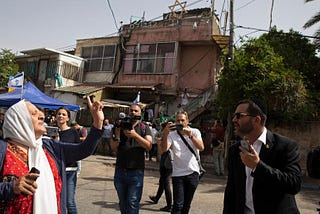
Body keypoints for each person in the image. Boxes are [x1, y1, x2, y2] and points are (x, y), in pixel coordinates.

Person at [0, 97, 103, 214]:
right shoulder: (3, 149)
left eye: (41, 113)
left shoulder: (50, 147)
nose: (42, 116)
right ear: (18, 121)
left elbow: (84, 149)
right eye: (34, 114)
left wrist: (97, 121)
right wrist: (11, 187)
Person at [223, 99, 301, 214]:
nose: (234, 120)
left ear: (256, 120)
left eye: (239, 116)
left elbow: (293, 184)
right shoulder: (235, 150)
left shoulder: (284, 146)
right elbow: (231, 192)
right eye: (235, 116)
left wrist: (258, 167)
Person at [162, 110, 204, 214]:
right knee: (177, 205)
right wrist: (166, 133)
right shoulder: (172, 134)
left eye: (182, 120)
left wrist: (190, 136)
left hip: (192, 172)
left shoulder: (194, 131)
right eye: (178, 120)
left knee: (186, 205)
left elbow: (201, 147)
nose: (180, 123)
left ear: (187, 121)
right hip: (178, 174)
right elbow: (164, 149)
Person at [113, 103, 152, 214]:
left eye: (136, 111)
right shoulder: (121, 126)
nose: (133, 113)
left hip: (136, 171)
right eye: (131, 111)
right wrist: (117, 132)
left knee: (133, 202)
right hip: (120, 170)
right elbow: (113, 147)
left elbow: (149, 146)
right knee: (123, 202)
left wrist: (135, 135)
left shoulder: (144, 128)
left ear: (140, 114)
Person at [55, 108, 80, 214]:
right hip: (56, 170)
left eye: (63, 114)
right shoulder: (52, 132)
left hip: (70, 170)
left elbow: (78, 150)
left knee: (69, 202)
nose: (61, 116)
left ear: (68, 118)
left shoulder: (73, 132)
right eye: (59, 114)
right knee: (58, 201)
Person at [149, 123, 173, 212]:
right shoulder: (174, 135)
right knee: (162, 181)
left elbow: (162, 151)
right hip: (169, 160)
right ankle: (157, 198)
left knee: (165, 182)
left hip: (167, 161)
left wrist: (159, 143)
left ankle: (169, 205)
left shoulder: (168, 136)